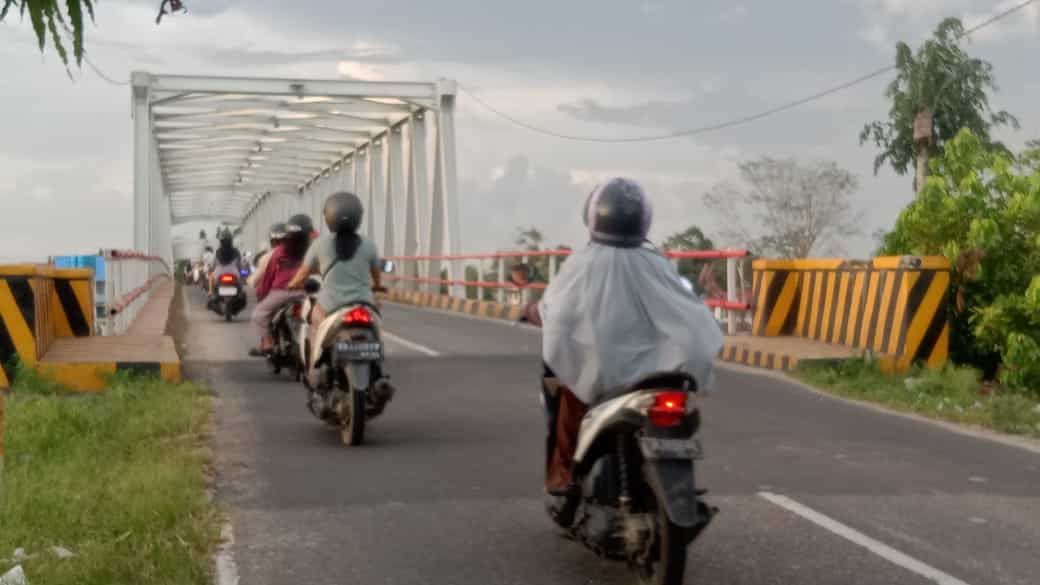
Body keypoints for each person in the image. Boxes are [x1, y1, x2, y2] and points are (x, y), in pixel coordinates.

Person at [536, 177, 723, 522]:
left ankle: (563, 473)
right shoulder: (658, 265)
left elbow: (557, 320)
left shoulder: (581, 265)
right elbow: (692, 316)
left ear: (593, 216)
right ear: (642, 219)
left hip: (603, 379)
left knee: (566, 390)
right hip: (656, 375)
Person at [287, 192, 384, 358]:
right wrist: (377, 286)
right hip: (363, 302)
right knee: (377, 324)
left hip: (330, 304)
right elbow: (376, 274)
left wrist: (292, 284)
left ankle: (314, 364)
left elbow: (303, 272)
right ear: (358, 217)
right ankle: (376, 357)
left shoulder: (320, 244)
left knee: (315, 324)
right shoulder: (369, 245)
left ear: (329, 217)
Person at [249, 215, 315, 356]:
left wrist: (262, 295)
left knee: (258, 314)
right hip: (306, 292)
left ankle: (267, 343)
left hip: (281, 293)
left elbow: (269, 277)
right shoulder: (311, 250)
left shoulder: (279, 252)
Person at [247, 222, 287, 289]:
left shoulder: (267, 258)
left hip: (275, 292)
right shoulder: (297, 255)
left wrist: (249, 280)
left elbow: (253, 281)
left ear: (272, 241)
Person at [207, 228, 242, 298]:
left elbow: (213, 265)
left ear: (221, 241)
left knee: (210, 276)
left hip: (219, 273)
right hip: (234, 273)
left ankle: (210, 291)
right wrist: (239, 270)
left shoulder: (218, 252)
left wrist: (211, 269)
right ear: (231, 241)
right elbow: (239, 265)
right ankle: (240, 292)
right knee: (240, 281)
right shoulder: (236, 251)